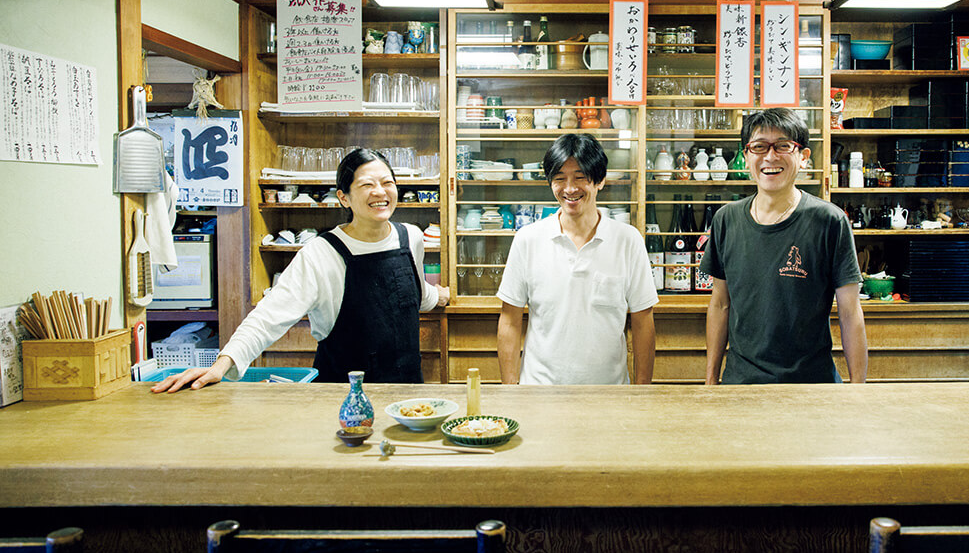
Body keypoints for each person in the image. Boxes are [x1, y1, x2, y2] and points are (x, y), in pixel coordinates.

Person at [152, 148, 449, 392]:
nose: (380, 192)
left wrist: (439, 297)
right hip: (339, 396)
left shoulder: (411, 237)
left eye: (387, 183)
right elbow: (270, 315)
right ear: (343, 197)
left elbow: (414, 293)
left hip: (407, 393)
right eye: (367, 185)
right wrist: (221, 364)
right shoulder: (323, 252)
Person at [701, 108, 867, 384]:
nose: (770, 156)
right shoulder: (726, 220)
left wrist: (859, 388)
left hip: (813, 385)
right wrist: (710, 380)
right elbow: (719, 305)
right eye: (759, 146)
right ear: (745, 157)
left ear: (802, 157)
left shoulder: (829, 220)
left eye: (783, 146)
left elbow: (850, 312)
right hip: (742, 384)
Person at [497, 133, 657, 384]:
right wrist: (510, 390)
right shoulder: (528, 239)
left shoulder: (628, 240)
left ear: (600, 180)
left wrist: (642, 393)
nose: (570, 189)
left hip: (609, 395)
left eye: (580, 178)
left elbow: (643, 320)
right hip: (540, 393)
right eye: (559, 179)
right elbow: (510, 319)